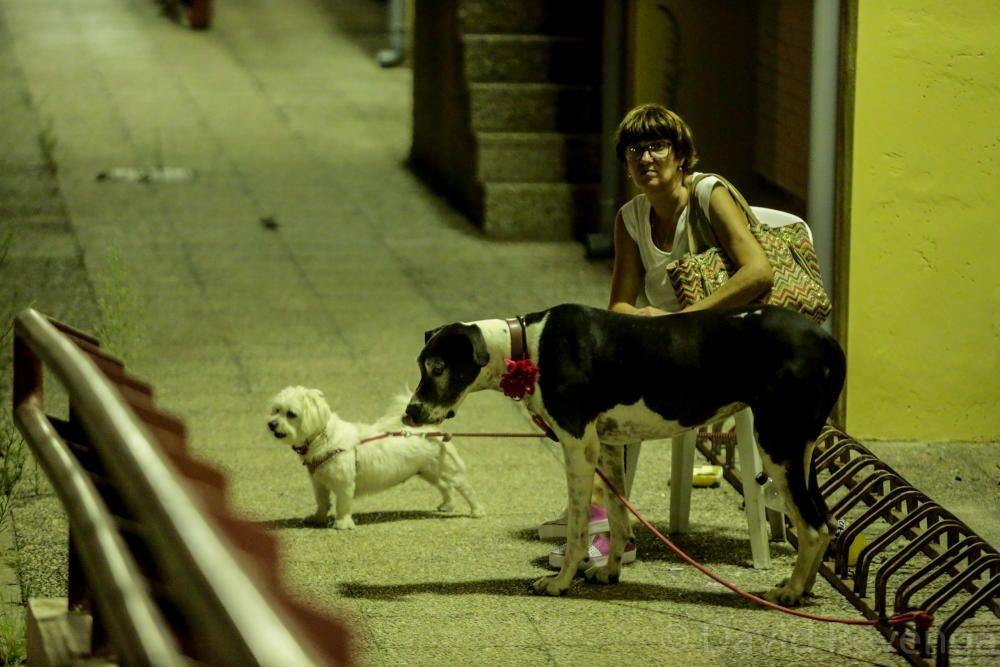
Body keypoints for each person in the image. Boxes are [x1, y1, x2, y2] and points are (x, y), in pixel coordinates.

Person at [543, 103, 774, 569]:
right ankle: (603, 516)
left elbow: (758, 273)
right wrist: (644, 321)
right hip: (666, 349)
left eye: (656, 147)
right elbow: (619, 305)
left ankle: (605, 524)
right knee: (586, 386)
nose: (646, 158)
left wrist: (682, 318)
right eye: (634, 150)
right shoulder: (631, 217)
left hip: (722, 345)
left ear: (680, 153)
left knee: (609, 396)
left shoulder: (708, 195)